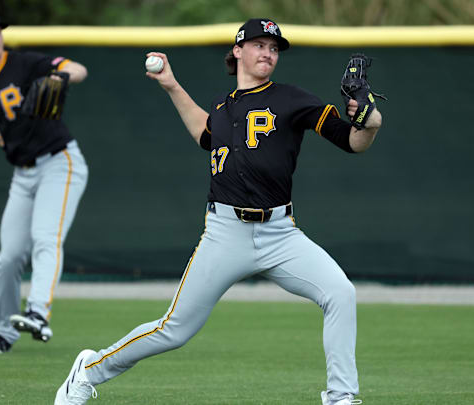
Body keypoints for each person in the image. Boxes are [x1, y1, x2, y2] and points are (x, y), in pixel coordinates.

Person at [55, 18, 381, 405]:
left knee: (340, 293)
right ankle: (88, 371)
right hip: (226, 232)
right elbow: (203, 133)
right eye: (260, 45)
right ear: (238, 51)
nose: (268, 53)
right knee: (174, 329)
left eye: (275, 48)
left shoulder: (292, 99)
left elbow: (352, 140)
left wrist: (370, 120)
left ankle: (342, 397)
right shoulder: (224, 108)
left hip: (281, 233)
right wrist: (172, 85)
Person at [0, 10, 89, 354]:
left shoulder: (25, 64)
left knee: (45, 238)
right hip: (22, 174)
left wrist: (62, 77)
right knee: (8, 258)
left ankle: (37, 313)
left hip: (60, 163)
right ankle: (4, 333)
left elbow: (79, 69)